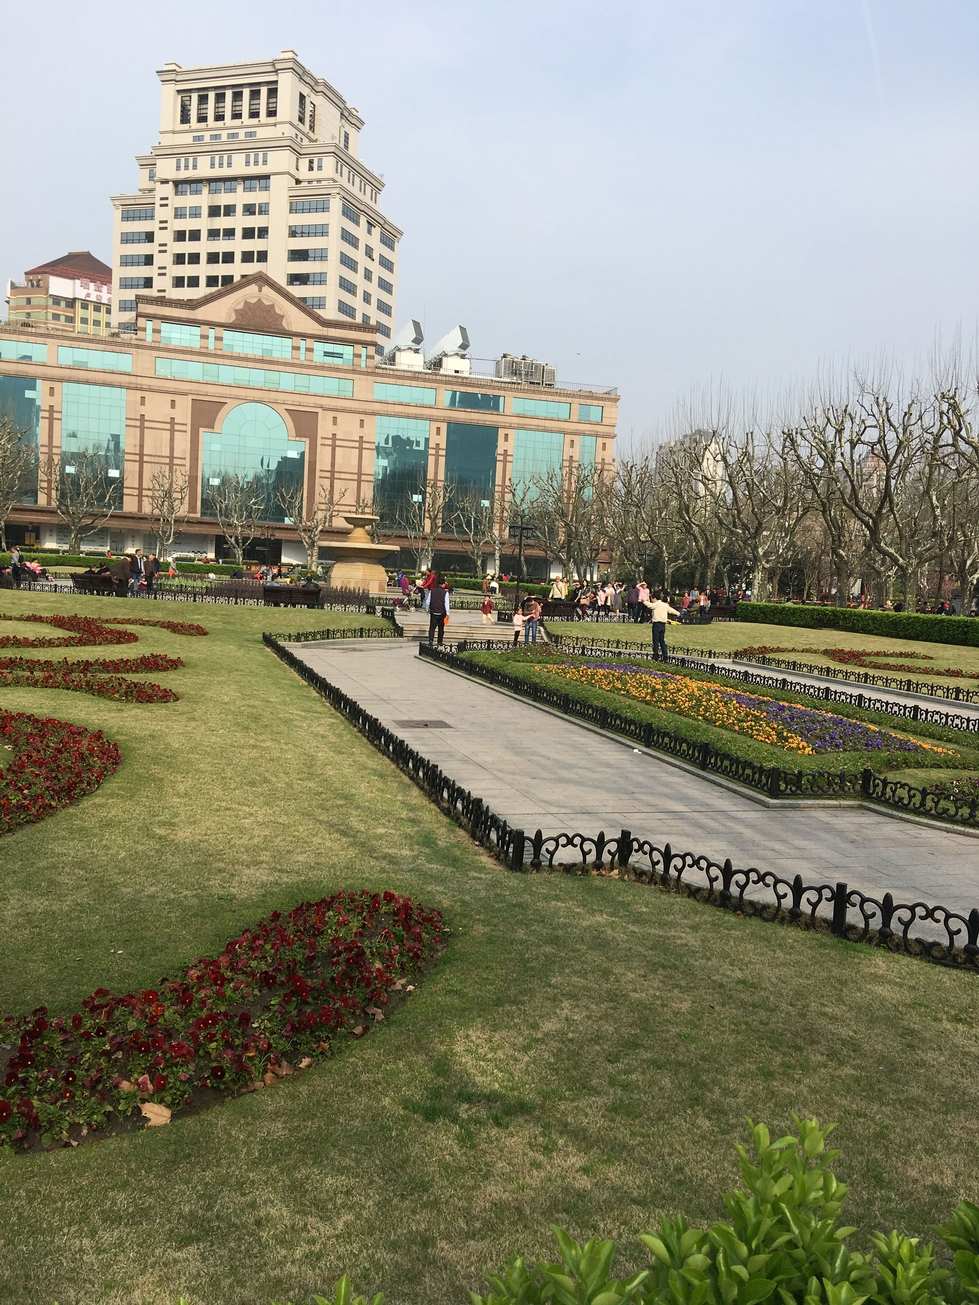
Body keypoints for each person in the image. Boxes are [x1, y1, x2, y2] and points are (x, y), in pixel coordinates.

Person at [646, 590, 681, 661]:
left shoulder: (656, 604)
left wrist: (643, 601)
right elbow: (671, 610)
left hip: (656, 624)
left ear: (654, 598)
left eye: (651, 598)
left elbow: (650, 605)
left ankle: (655, 656)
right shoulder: (664, 605)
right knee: (662, 641)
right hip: (663, 625)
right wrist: (678, 613)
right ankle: (665, 656)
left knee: (655, 641)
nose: (651, 600)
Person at [427, 573, 450, 646]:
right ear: (443, 584)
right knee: (441, 628)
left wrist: (427, 609)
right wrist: (448, 613)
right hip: (442, 613)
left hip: (433, 612)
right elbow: (446, 604)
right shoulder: (445, 593)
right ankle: (439, 642)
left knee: (432, 627)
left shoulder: (432, 591)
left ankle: (430, 641)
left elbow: (428, 601)